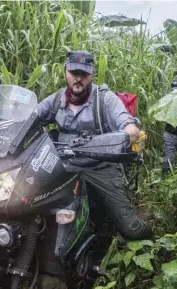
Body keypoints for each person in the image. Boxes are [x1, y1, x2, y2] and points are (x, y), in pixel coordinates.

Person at [37, 50, 151, 241]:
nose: (78, 79)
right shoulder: (56, 100)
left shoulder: (105, 99)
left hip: (100, 166)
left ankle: (153, 243)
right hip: (62, 166)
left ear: (92, 75)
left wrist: (126, 134)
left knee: (131, 229)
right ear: (65, 72)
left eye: (84, 74)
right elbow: (31, 118)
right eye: (74, 73)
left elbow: (130, 129)